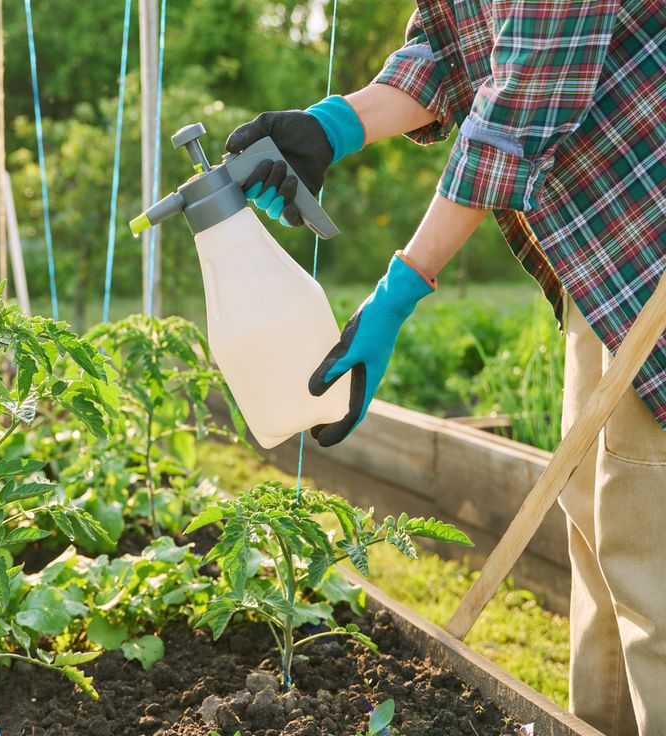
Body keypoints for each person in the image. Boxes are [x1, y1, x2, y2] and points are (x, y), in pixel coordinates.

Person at [225, 3, 666, 735]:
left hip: (650, 238)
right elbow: (452, 43)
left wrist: (397, 294)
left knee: (648, 542)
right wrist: (330, 126)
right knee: (593, 513)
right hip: (602, 259)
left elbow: (518, 104)